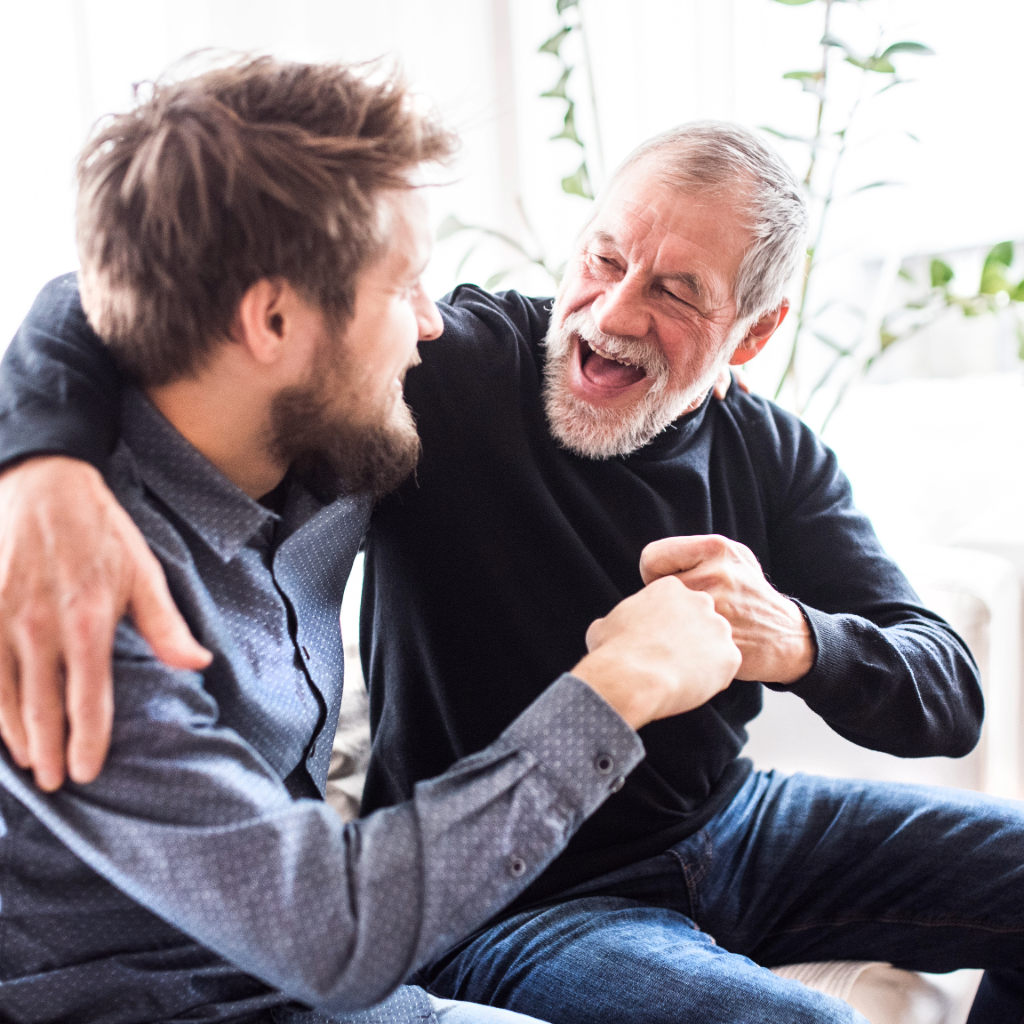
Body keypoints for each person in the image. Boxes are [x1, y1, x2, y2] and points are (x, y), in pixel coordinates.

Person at [1, 116, 1023, 1023]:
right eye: (604, 258)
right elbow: (114, 293)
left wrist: (791, 637)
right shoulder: (441, 369)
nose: (615, 313)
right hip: (515, 890)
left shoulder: (773, 453)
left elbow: (948, 695)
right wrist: (36, 464)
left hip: (732, 824)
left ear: (752, 334)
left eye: (673, 291)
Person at [0, 59, 748, 1024]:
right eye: (404, 287)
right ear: (271, 319)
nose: (433, 326)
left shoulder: (315, 442)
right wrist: (624, 685)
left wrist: (34, 455)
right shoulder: (83, 594)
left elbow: (81, 292)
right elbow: (331, 929)